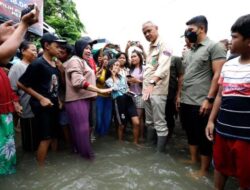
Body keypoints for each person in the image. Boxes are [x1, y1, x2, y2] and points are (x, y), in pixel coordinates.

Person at [177, 15, 227, 177]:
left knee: (204, 136)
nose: (187, 32)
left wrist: (209, 99)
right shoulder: (190, 50)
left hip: (202, 101)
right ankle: (193, 160)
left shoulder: (215, 47)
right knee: (190, 132)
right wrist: (178, 96)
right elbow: (184, 75)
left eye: (190, 29)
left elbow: (218, 74)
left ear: (201, 28)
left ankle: (204, 170)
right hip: (186, 100)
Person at [206, 14, 250, 190]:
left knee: (245, 181)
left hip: (246, 137)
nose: (230, 41)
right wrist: (211, 120)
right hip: (223, 131)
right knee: (220, 169)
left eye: (235, 37)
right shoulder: (228, 65)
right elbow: (220, 95)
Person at [0, 4, 39, 174]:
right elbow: (7, 51)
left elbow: (7, 51)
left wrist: (22, 27)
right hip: (13, 112)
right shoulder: (15, 66)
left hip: (6, 113)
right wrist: (24, 24)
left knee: (7, 159)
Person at [18, 33, 67, 167]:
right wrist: (41, 98)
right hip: (42, 107)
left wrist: (59, 98)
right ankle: (41, 171)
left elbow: (55, 85)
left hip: (54, 104)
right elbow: (21, 83)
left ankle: (54, 163)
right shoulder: (37, 64)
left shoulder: (55, 64)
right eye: (57, 46)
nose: (60, 49)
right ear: (46, 46)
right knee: (45, 138)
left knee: (55, 135)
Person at [64, 37, 112, 159]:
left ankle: (79, 156)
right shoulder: (75, 61)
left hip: (83, 100)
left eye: (90, 49)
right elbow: (77, 81)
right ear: (79, 48)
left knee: (81, 132)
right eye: (86, 48)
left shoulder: (82, 61)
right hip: (76, 100)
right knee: (83, 131)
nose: (89, 51)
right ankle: (88, 161)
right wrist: (99, 90)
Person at [142, 21, 171, 153]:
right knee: (149, 121)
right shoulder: (149, 48)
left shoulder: (165, 44)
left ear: (156, 28)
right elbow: (149, 69)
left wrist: (152, 84)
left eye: (149, 30)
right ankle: (149, 148)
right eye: (144, 33)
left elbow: (163, 67)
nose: (147, 34)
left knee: (159, 123)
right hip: (146, 90)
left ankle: (159, 155)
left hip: (157, 90)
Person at [8, 41, 38, 151]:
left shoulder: (34, 65)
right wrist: (16, 104)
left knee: (36, 136)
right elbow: (11, 89)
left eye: (36, 50)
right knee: (29, 140)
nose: (35, 52)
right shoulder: (17, 67)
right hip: (26, 106)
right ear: (23, 51)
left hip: (37, 106)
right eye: (33, 50)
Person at [105, 59, 140, 145]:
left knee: (136, 122)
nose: (118, 67)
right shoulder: (108, 80)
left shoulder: (122, 77)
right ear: (110, 68)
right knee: (121, 125)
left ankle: (136, 143)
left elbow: (126, 88)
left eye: (118, 65)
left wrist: (129, 91)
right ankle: (120, 143)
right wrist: (113, 75)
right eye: (116, 65)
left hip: (128, 99)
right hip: (119, 102)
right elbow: (115, 88)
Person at [127, 50, 145, 141]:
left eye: (134, 56)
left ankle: (139, 138)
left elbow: (148, 83)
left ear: (140, 57)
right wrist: (128, 81)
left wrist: (137, 81)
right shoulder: (130, 69)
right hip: (130, 95)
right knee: (135, 119)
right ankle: (138, 137)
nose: (132, 58)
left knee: (139, 118)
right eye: (131, 57)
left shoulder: (145, 68)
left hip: (140, 95)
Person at [165, 55, 184, 140]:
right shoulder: (155, 58)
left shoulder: (175, 59)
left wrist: (178, 94)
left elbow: (181, 76)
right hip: (158, 92)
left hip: (171, 93)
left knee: (169, 116)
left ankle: (169, 136)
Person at [95, 50, 113, 136]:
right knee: (98, 118)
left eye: (108, 59)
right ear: (101, 60)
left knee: (107, 118)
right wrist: (99, 71)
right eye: (104, 59)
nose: (106, 61)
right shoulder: (98, 69)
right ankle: (98, 135)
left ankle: (104, 136)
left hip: (109, 97)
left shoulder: (113, 71)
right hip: (99, 96)